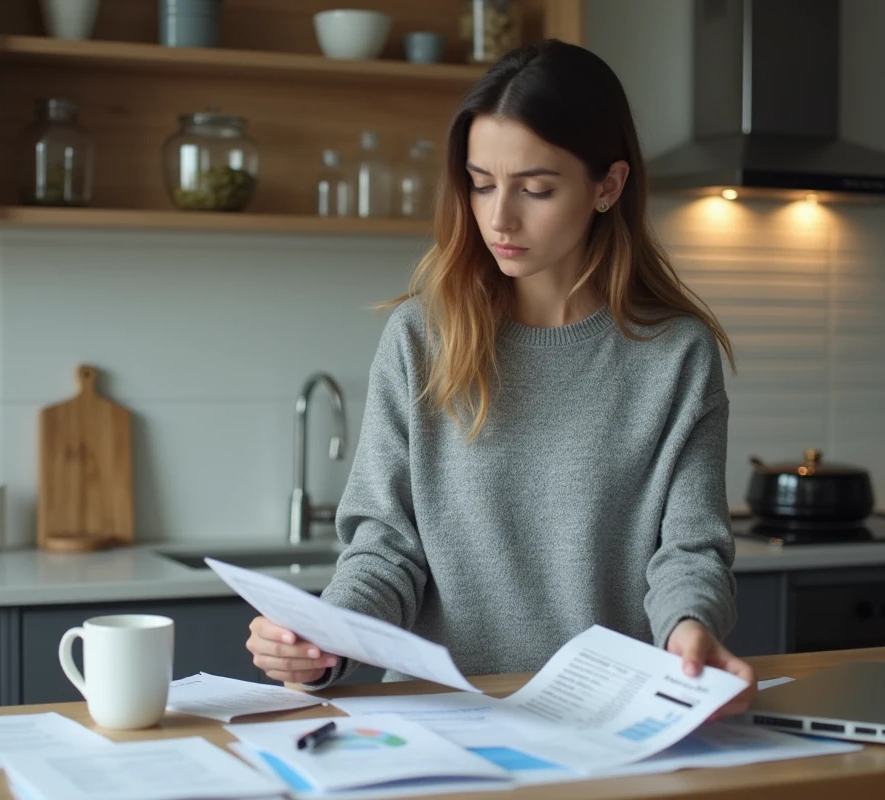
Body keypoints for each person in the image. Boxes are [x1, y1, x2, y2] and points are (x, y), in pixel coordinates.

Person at [246, 38, 756, 718]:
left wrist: (689, 632)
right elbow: (386, 550)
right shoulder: (421, 338)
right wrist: (323, 642)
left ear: (608, 186)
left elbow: (689, 550)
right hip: (443, 724)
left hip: (608, 722)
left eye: (536, 189)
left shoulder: (676, 354)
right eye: (481, 183)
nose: (498, 218)